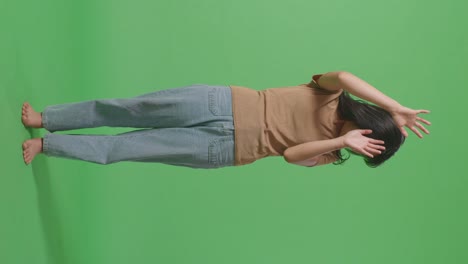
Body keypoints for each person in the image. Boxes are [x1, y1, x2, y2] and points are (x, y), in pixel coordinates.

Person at [21, 71, 431, 168]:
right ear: (369, 123)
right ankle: (47, 119)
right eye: (368, 140)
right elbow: (342, 74)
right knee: (127, 109)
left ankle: (48, 144)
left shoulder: (331, 154)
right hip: (220, 104)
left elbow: (291, 155)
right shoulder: (332, 93)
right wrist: (396, 107)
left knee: (128, 147)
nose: (361, 144)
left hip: (226, 148)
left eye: (367, 150)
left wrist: (341, 144)